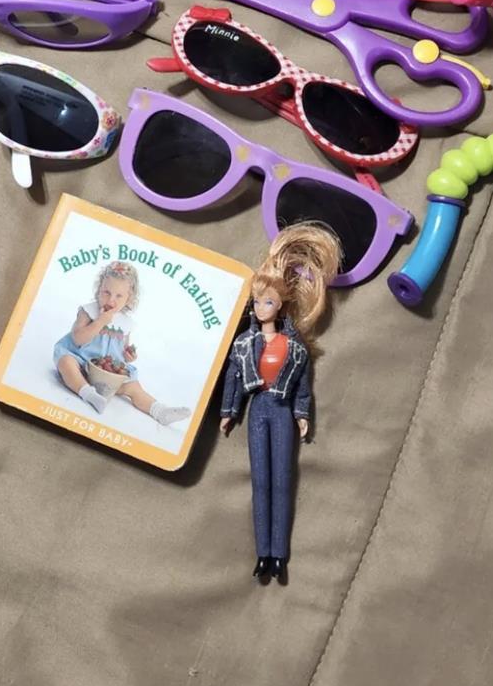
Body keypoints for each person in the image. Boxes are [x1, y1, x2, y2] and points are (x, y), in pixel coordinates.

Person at [220, 223, 341, 584]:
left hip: (282, 410)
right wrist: (229, 412)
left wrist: (302, 414)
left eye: (268, 302)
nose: (261, 308)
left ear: (282, 304)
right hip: (258, 409)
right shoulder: (244, 344)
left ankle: (279, 556)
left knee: (282, 480)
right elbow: (233, 379)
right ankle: (263, 554)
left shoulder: (295, 348)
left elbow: (302, 386)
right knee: (261, 481)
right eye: (257, 302)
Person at [53, 261, 191, 427]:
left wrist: (128, 355)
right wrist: (100, 321)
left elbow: (121, 351)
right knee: (66, 363)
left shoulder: (125, 324)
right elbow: (78, 339)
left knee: (134, 387)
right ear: (99, 289)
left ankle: (159, 411)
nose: (111, 300)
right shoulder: (88, 311)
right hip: (81, 363)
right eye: (106, 292)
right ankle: (88, 394)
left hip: (106, 376)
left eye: (119, 296)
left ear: (129, 298)